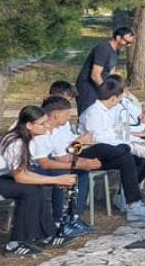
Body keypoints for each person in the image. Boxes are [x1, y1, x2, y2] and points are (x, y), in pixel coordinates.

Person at [0, 106, 78, 256]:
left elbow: (24, 172)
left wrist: (51, 181)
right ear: (29, 125)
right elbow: (21, 177)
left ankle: (47, 234)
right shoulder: (16, 142)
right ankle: (14, 245)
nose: (47, 126)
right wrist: (55, 179)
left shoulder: (27, 139)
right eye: (42, 123)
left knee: (34, 187)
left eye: (46, 122)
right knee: (28, 190)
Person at [76, 78, 145, 221]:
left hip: (113, 150)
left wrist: (138, 140)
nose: (121, 100)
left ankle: (132, 203)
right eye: (120, 97)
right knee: (124, 152)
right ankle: (133, 204)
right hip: (90, 151)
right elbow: (97, 139)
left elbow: (119, 134)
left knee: (128, 157)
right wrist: (130, 145)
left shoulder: (112, 110)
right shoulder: (92, 112)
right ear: (113, 97)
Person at [30, 96, 97, 240]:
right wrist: (80, 143)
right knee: (62, 172)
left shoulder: (57, 129)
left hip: (45, 162)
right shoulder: (42, 130)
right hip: (31, 167)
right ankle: (59, 219)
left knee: (80, 171)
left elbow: (66, 154)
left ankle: (73, 216)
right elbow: (45, 163)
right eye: (67, 113)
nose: (70, 117)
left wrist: (85, 161)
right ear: (56, 114)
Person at [75, 27, 133, 114]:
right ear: (118, 38)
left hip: (100, 86)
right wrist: (107, 91)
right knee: (87, 114)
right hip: (88, 87)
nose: (128, 45)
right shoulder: (103, 49)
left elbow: (111, 73)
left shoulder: (116, 51)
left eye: (131, 43)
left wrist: (119, 88)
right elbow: (95, 75)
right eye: (127, 42)